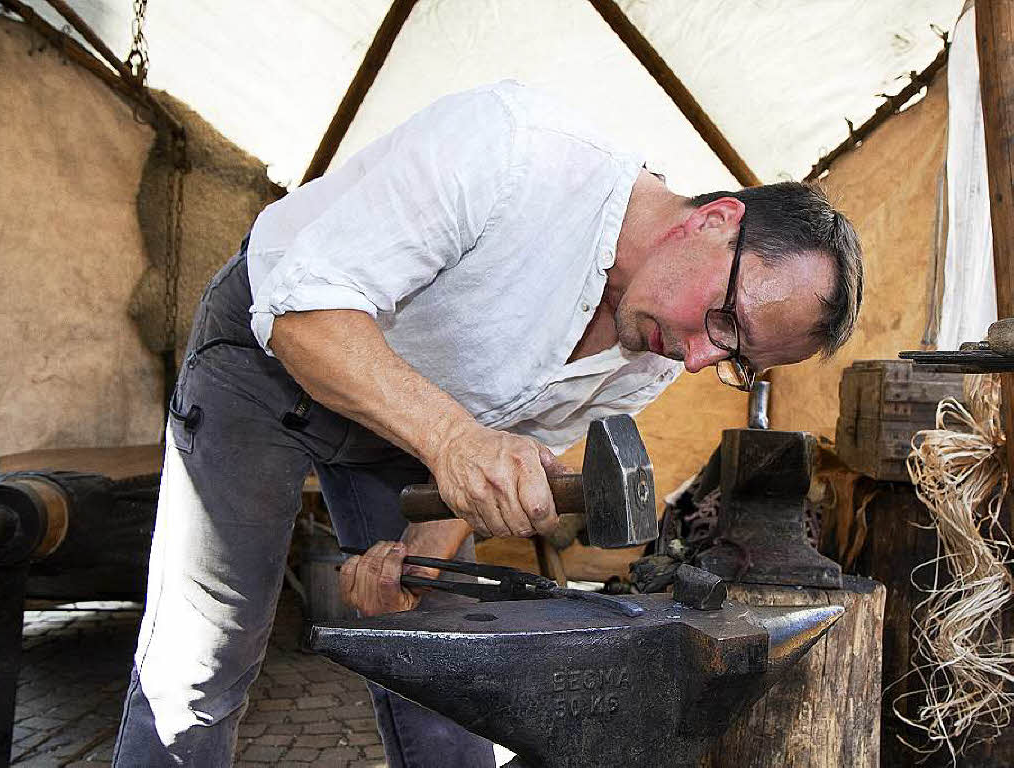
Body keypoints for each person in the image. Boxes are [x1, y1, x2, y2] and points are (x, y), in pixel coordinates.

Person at [112, 80, 863, 767]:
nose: (701, 359)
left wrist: (414, 563)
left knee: (453, 671)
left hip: (415, 419)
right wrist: (449, 440)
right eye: (724, 319)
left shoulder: (658, 354)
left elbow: (512, 451)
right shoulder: (514, 152)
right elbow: (305, 316)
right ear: (717, 220)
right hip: (269, 356)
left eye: (736, 357)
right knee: (204, 660)